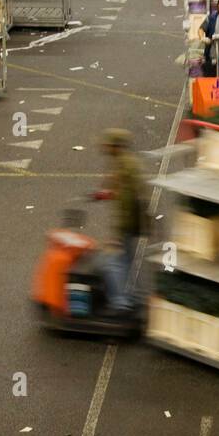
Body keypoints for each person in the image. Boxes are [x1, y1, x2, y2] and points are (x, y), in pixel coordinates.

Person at [95, 129, 145, 316]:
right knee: (127, 261)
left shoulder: (124, 166)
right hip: (134, 223)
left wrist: (116, 235)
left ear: (116, 146)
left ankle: (120, 303)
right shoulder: (125, 161)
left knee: (111, 263)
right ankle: (132, 297)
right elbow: (115, 183)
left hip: (127, 224)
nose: (104, 147)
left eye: (108, 144)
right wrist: (103, 192)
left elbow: (126, 203)